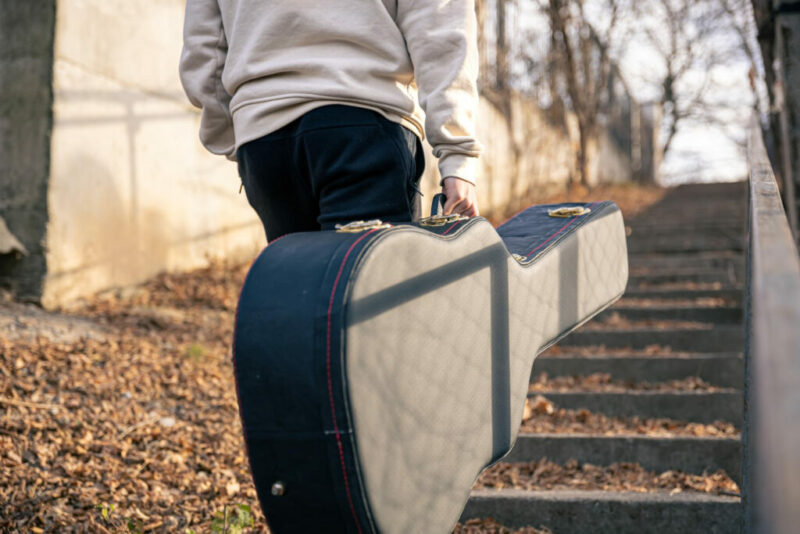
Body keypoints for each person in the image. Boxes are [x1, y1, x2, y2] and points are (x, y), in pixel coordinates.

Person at [179, 0, 483, 242]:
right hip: (364, 122)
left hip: (264, 141)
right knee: (373, 291)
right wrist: (458, 155)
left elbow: (204, 47)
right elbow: (440, 26)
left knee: (301, 290)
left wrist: (240, 132)